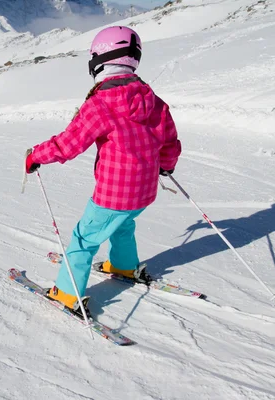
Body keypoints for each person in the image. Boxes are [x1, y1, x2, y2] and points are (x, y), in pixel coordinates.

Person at [25, 26, 181, 317]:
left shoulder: (100, 104)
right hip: (145, 192)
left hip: (113, 194)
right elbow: (169, 142)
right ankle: (123, 265)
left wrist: (36, 155)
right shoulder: (154, 102)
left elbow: (68, 144)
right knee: (123, 225)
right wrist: (166, 167)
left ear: (99, 61)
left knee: (84, 239)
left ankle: (67, 293)